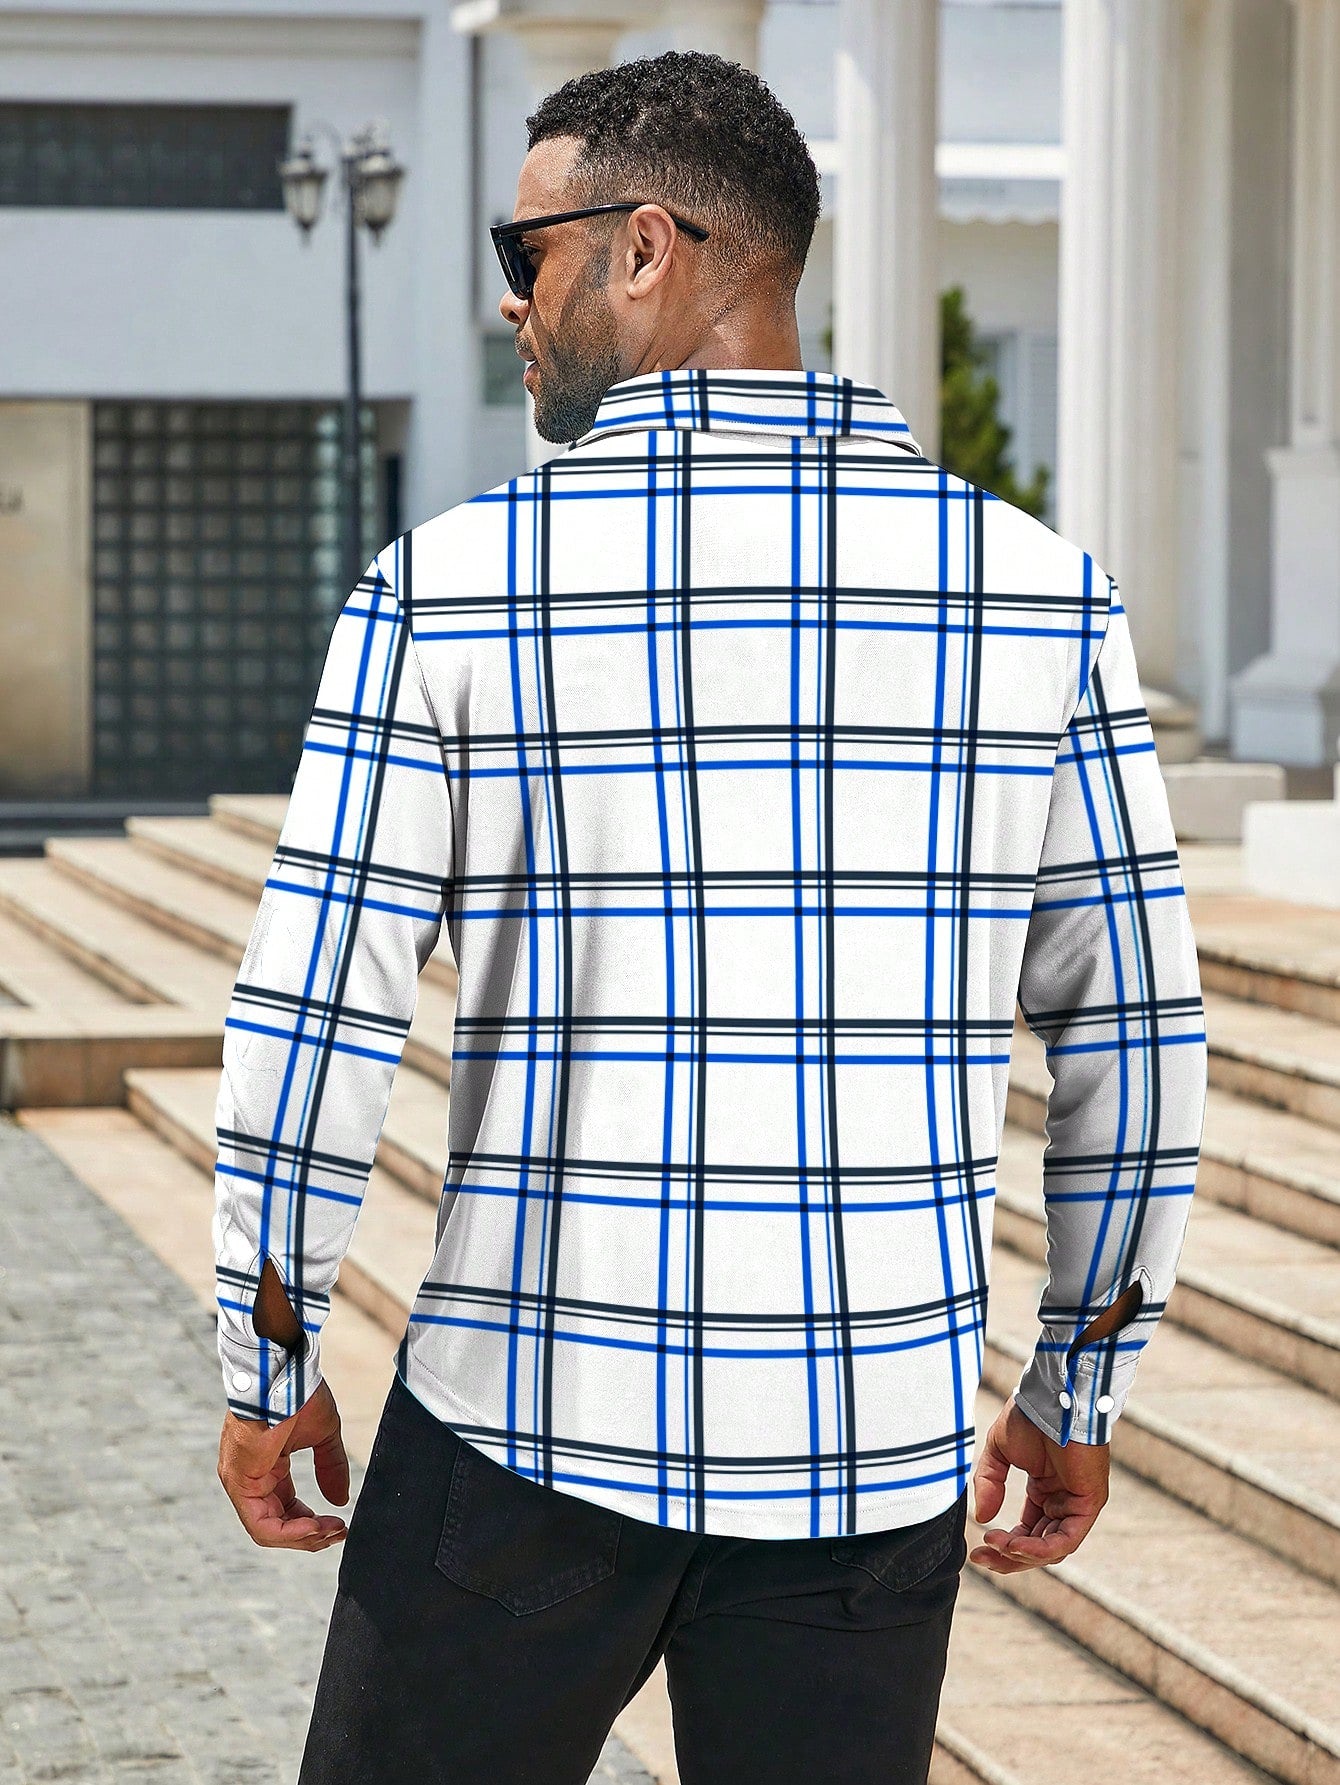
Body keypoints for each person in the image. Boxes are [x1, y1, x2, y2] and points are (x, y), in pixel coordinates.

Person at [212, 49, 1208, 1785]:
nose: (511, 303)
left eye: (528, 256)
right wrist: (1080, 1383)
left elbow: (314, 1022)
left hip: (521, 1433)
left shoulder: (449, 590)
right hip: (868, 1461)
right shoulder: (1043, 600)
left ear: (645, 247)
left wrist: (266, 1348)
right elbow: (1135, 1035)